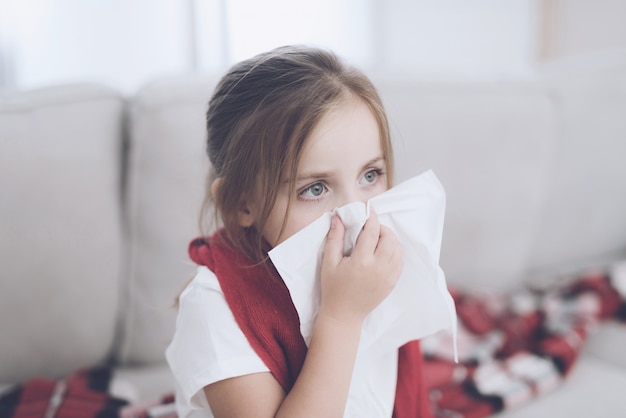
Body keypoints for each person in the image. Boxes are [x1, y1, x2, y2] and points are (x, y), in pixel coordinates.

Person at [166, 45, 431, 418]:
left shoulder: (372, 263)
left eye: (370, 175)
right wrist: (342, 317)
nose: (357, 213)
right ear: (242, 204)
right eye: (315, 189)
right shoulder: (213, 306)